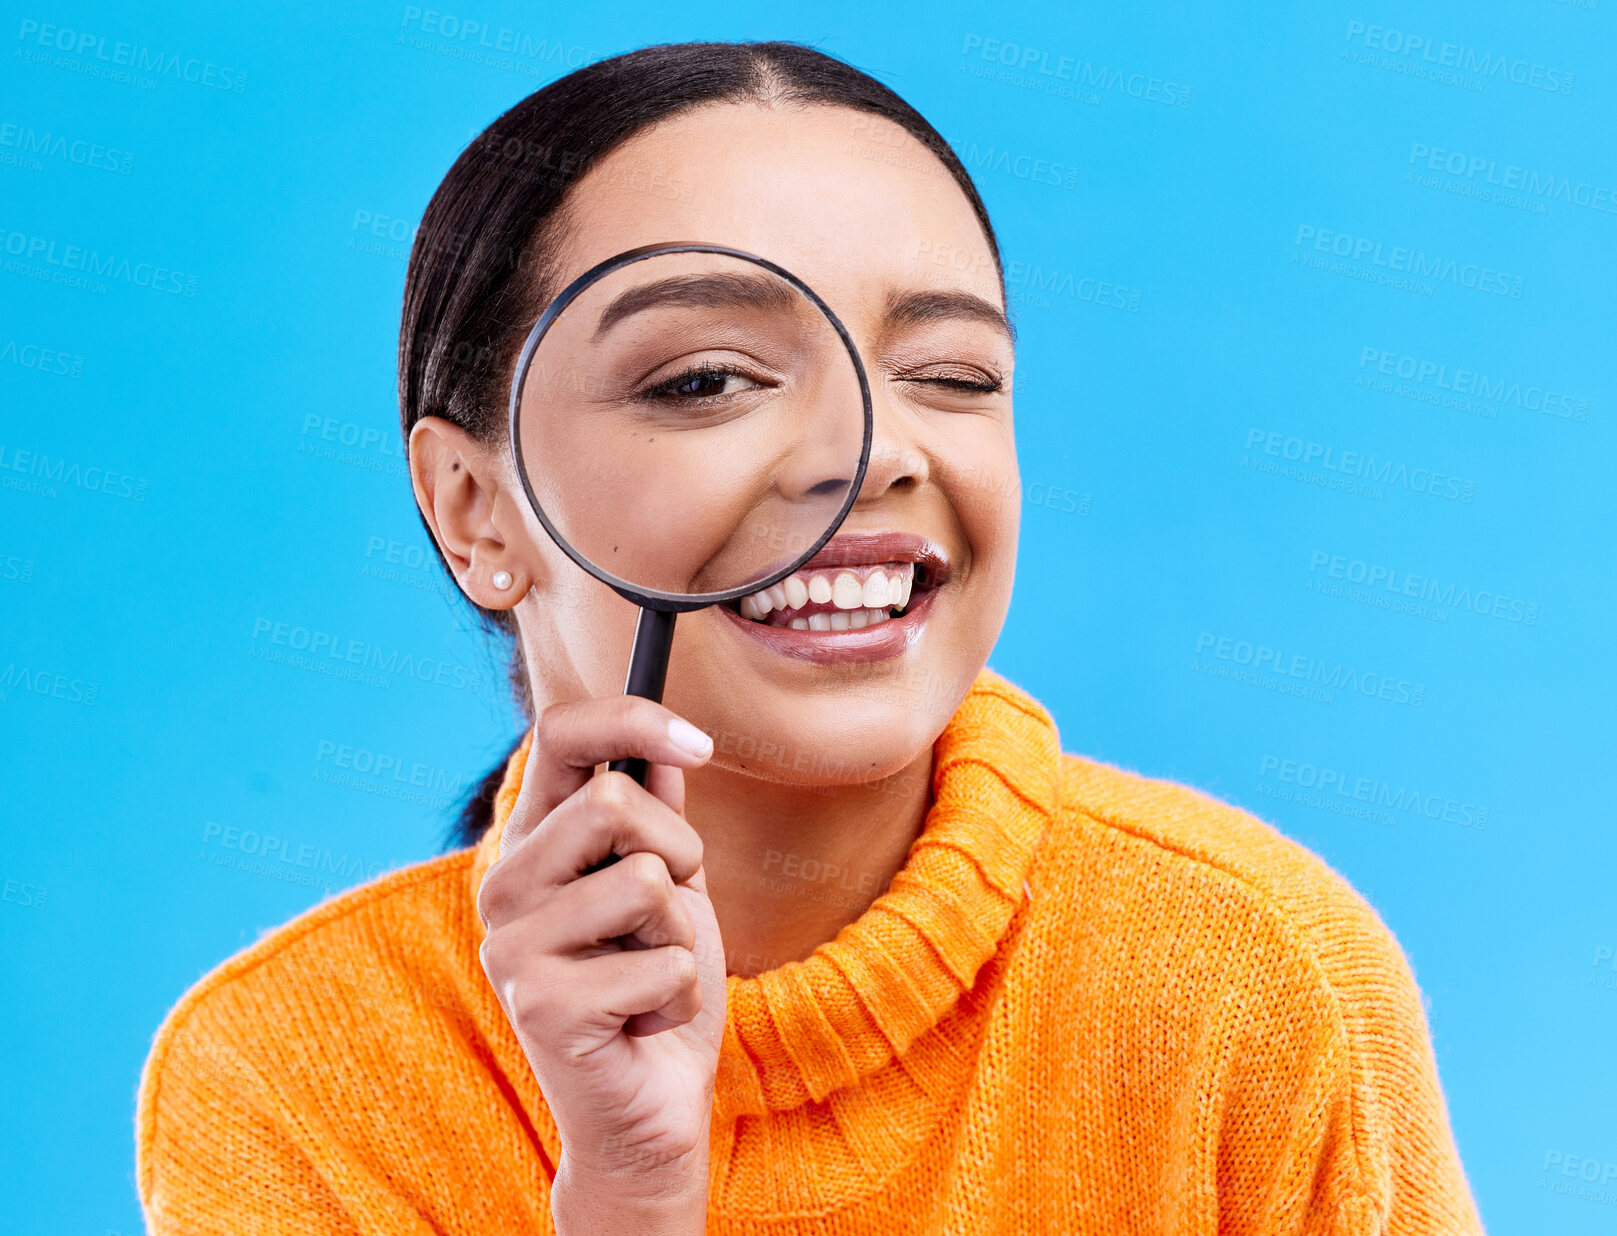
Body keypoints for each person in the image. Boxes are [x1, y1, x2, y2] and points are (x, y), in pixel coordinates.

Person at [135, 41, 1485, 1235]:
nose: (873, 453)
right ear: (476, 510)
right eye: (705, 379)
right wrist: (630, 1197)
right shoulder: (287, 1081)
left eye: (951, 377)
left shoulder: (1253, 971)